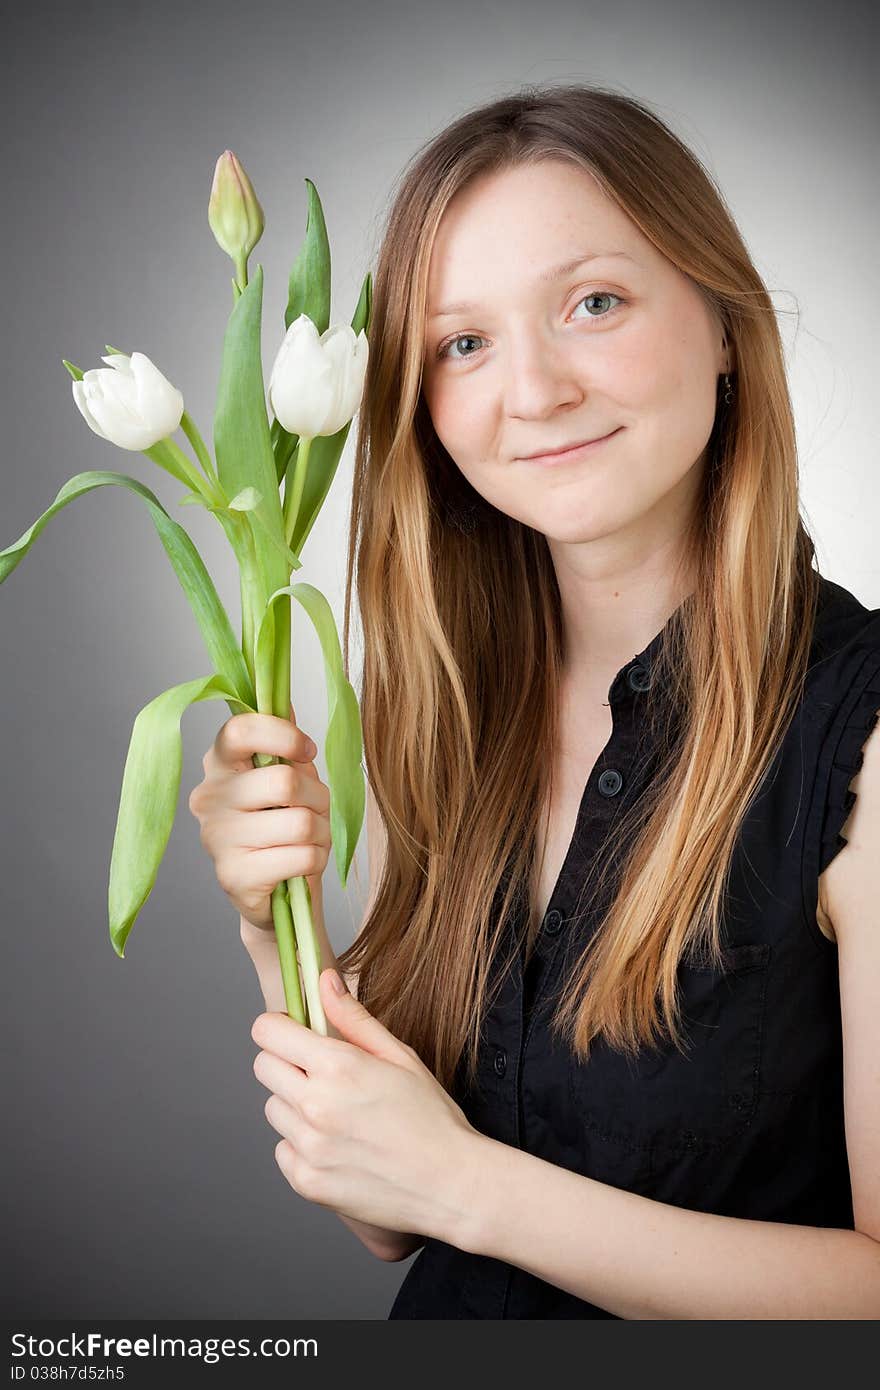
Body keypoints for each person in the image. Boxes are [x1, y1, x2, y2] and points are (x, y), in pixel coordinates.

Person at [187, 85, 880, 1318]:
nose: (535, 390)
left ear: (724, 323)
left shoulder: (861, 736)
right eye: (463, 343)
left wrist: (470, 1186)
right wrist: (267, 920)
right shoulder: (455, 707)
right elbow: (384, 1217)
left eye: (594, 303)